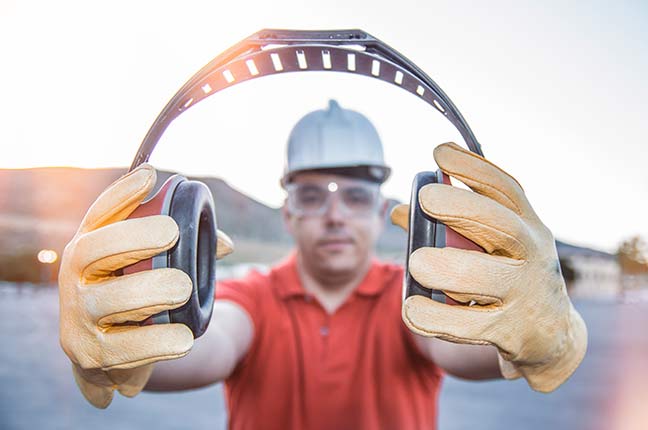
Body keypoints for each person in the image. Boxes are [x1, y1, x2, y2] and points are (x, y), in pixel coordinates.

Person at [58, 100, 587, 429]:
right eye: (313, 196)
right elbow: (204, 349)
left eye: (355, 197)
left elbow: (461, 347)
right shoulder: (252, 296)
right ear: (288, 214)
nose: (334, 215)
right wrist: (127, 346)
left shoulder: (421, 299)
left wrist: (541, 342)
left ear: (385, 214)